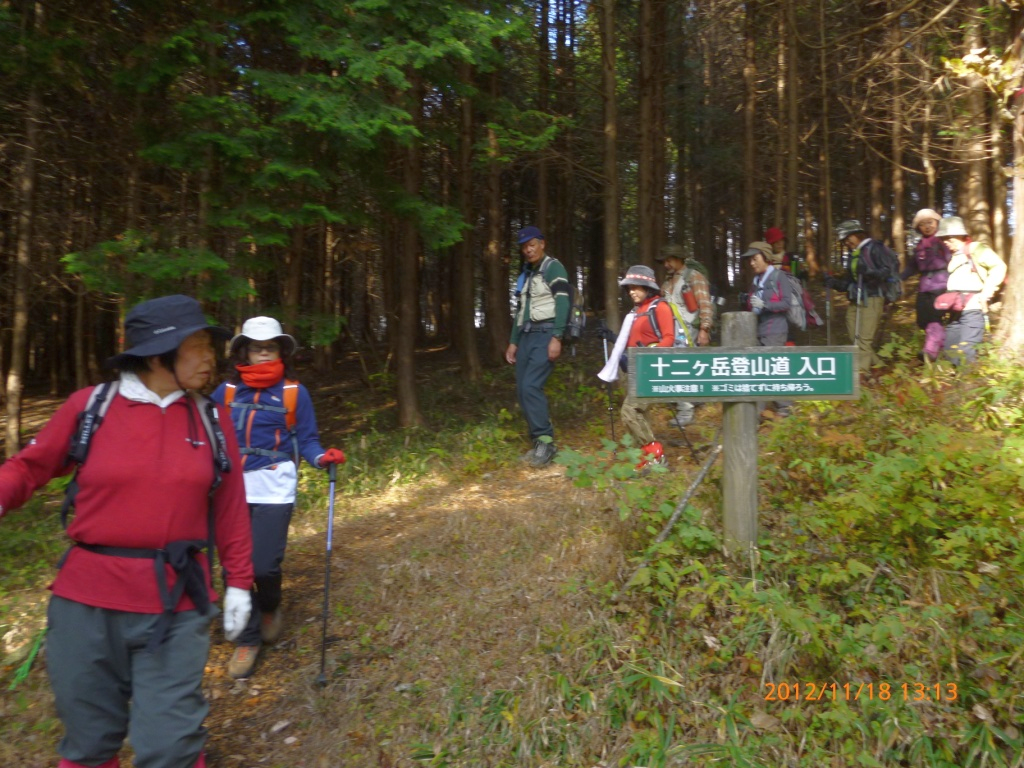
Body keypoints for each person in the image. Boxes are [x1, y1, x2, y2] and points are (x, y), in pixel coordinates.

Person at [0, 294, 253, 768]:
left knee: (171, 743)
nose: (209, 358)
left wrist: (239, 582)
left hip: (176, 604)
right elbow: (28, 468)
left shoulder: (212, 418)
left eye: (208, 346)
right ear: (159, 355)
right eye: (196, 346)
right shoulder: (91, 407)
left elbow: (231, 506)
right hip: (85, 605)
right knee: (89, 741)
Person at [211, 316, 346, 679]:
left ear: (281, 350)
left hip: (274, 485)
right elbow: (202, 433)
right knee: (233, 566)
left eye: (270, 347)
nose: (263, 353)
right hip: (231, 488)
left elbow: (309, 438)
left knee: (264, 565)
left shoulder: (292, 393)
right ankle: (248, 637)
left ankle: (270, 604)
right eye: (257, 348)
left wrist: (321, 458)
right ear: (244, 352)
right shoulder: (224, 392)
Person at [505, 225, 570, 468]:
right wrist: (513, 342)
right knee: (523, 389)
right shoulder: (527, 274)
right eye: (524, 246)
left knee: (532, 386)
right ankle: (538, 444)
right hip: (527, 336)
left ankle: (547, 443)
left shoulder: (553, 267)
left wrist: (557, 336)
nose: (528, 249)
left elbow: (563, 301)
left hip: (546, 333)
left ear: (542, 243)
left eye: (532, 244)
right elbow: (520, 311)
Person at [617, 265, 675, 473]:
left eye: (637, 287)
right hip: (635, 369)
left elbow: (669, 338)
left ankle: (655, 455)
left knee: (629, 411)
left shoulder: (660, 307)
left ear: (648, 287)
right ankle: (646, 459)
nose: (632, 291)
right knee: (640, 414)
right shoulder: (637, 311)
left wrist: (651, 356)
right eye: (630, 288)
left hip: (651, 371)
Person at [656, 243, 713, 427]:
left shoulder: (694, 277)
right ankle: (691, 400)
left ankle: (685, 411)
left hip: (689, 331)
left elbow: (705, 303)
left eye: (670, 260)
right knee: (679, 369)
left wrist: (704, 329)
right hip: (671, 333)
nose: (667, 264)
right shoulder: (667, 283)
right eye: (665, 261)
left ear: (679, 259)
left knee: (682, 370)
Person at [936, 216, 1007, 364]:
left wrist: (988, 291)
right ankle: (956, 383)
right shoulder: (954, 256)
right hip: (955, 310)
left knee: (967, 351)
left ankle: (967, 384)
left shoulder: (975, 248)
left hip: (973, 308)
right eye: (944, 239)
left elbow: (999, 266)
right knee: (950, 350)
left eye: (949, 238)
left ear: (960, 235)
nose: (946, 242)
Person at [825, 219, 887, 372]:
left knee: (864, 340)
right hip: (857, 298)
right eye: (844, 240)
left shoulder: (874, 248)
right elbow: (848, 282)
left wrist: (869, 274)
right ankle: (879, 366)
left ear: (857, 234)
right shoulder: (854, 255)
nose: (846, 242)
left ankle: (861, 375)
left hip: (872, 297)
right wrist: (833, 282)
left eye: (848, 238)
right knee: (855, 335)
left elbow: (886, 272)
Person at [742, 241, 794, 417]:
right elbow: (752, 304)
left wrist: (766, 305)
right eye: (750, 260)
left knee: (770, 368)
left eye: (755, 259)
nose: (752, 263)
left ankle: (778, 408)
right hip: (758, 330)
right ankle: (779, 407)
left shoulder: (780, 277)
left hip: (776, 329)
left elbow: (787, 303)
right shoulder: (756, 280)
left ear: (765, 257)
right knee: (763, 368)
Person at [900, 208, 951, 362]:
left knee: (935, 317)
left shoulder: (943, 241)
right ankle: (940, 346)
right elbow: (912, 266)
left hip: (941, 284)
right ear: (918, 228)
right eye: (923, 224)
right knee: (923, 319)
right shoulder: (919, 246)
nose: (927, 226)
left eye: (930, 222)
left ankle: (930, 351)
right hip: (924, 287)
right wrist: (898, 278)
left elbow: (953, 260)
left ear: (937, 222)